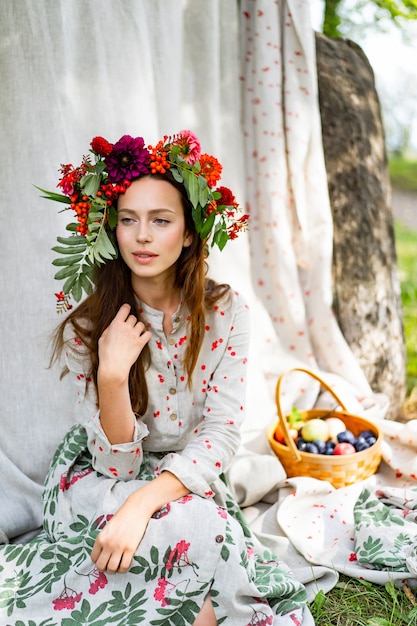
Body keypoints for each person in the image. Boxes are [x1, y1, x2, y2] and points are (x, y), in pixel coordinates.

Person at [0, 131, 307, 624]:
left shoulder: (227, 313)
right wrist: (112, 377)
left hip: (184, 475)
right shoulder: (90, 325)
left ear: (188, 232)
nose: (142, 236)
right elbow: (116, 467)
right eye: (128, 220)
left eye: (160, 220)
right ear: (110, 230)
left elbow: (221, 433)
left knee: (193, 525)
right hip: (101, 476)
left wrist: (142, 505)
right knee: (152, 536)